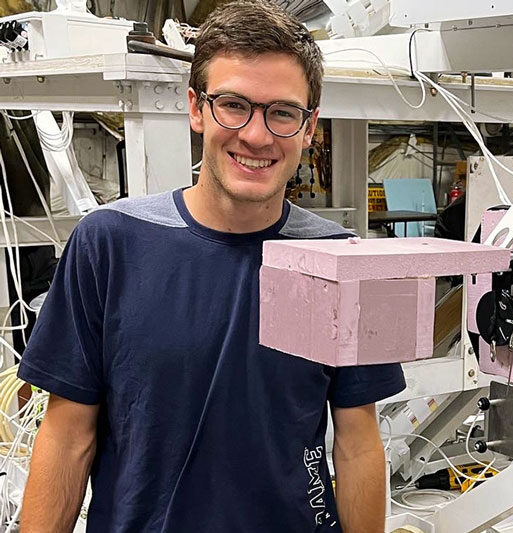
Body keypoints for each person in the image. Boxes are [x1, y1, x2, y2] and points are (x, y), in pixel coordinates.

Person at [17, 2, 405, 531]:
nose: (257, 135)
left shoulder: (340, 260)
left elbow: (358, 443)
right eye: (234, 105)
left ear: (310, 126)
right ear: (197, 109)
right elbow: (67, 437)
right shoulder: (111, 245)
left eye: (282, 112)